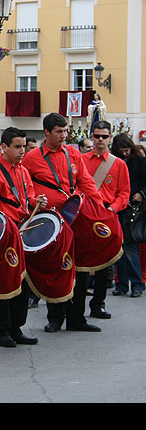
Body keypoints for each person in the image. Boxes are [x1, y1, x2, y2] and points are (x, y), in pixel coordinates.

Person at [23, 113, 104, 333]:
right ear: (46, 132)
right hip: (50, 222)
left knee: (80, 267)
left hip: (75, 219)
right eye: (59, 131)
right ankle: (55, 317)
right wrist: (33, 204)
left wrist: (99, 208)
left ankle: (77, 318)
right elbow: (25, 188)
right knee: (56, 267)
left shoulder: (73, 153)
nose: (63, 135)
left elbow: (86, 182)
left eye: (65, 131)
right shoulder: (31, 158)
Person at [0, 127, 47, 348]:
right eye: (17, 147)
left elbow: (27, 197)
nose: (22, 151)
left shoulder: (22, 170)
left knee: (22, 281)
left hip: (22, 229)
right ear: (4, 148)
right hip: (4, 232)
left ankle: (16, 326)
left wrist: (37, 200)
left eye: (24, 147)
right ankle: (1, 331)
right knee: (4, 282)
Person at [81, 121, 130, 317]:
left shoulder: (118, 164)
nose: (100, 140)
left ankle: (98, 304)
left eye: (104, 136)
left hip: (108, 217)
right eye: (97, 136)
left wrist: (112, 209)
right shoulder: (82, 160)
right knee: (81, 263)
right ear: (91, 136)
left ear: (110, 138)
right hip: (84, 218)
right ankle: (75, 307)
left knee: (105, 263)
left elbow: (124, 193)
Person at [111, 133, 146, 298]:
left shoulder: (139, 161)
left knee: (130, 247)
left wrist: (141, 194)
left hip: (132, 207)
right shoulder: (114, 162)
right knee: (119, 248)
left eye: (127, 150)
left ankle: (136, 284)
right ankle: (122, 284)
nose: (125, 153)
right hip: (118, 207)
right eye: (122, 151)